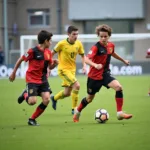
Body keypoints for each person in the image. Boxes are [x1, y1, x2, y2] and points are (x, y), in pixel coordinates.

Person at [73, 24, 133, 122]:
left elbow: (112, 53)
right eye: (101, 36)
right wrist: (95, 65)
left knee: (118, 87)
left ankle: (119, 113)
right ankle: (78, 111)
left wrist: (123, 61)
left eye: (105, 36)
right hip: (94, 77)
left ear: (109, 36)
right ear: (98, 36)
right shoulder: (95, 47)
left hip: (105, 74)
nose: (103, 38)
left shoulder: (110, 45)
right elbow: (86, 59)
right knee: (89, 99)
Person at [9, 30, 57, 126]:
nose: (51, 43)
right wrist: (13, 72)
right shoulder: (32, 51)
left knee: (46, 99)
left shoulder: (48, 52)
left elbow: (50, 66)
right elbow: (20, 60)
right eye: (50, 41)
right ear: (45, 41)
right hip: (32, 79)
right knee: (32, 102)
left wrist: (54, 64)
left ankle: (32, 119)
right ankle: (25, 94)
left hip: (43, 79)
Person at [51, 25, 86, 114]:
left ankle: (54, 98)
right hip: (63, 70)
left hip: (72, 71)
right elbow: (51, 54)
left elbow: (82, 55)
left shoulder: (78, 44)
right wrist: (48, 65)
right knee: (77, 85)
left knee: (67, 93)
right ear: (68, 34)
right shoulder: (61, 44)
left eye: (77, 34)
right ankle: (74, 109)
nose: (76, 36)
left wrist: (84, 66)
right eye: (74, 34)